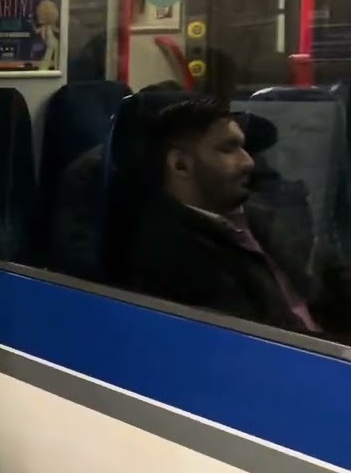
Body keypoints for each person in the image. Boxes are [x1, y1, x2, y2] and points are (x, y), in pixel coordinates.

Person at [124, 98, 351, 335]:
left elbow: (324, 276)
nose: (249, 162)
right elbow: (264, 342)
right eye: (228, 149)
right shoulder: (172, 256)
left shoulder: (254, 213)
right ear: (180, 165)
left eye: (244, 147)